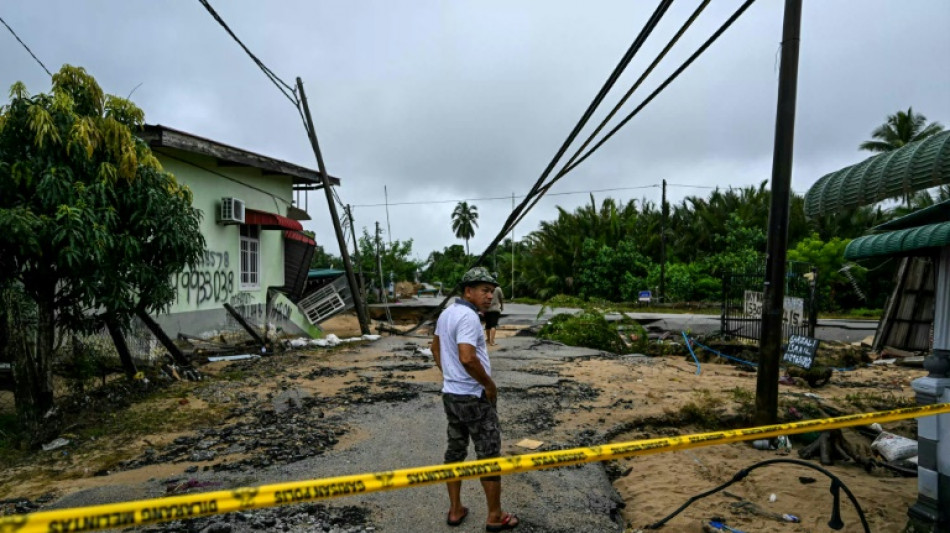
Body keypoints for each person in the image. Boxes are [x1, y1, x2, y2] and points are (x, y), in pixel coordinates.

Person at [431, 267, 519, 531]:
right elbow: (467, 357)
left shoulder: (447, 313)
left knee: (455, 451)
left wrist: (449, 376)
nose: (490, 296)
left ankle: (455, 509)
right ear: (468, 291)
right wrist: (489, 385)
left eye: (492, 291)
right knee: (488, 455)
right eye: (484, 290)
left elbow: (435, 347)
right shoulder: (468, 317)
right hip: (473, 396)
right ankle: (495, 516)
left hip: (452, 395)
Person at [484, 276, 504, 346]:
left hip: (487, 309)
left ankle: (488, 339)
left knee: (487, 325)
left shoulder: (486, 288)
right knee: (493, 325)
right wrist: (502, 306)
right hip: (495, 309)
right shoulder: (498, 289)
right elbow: (501, 298)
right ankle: (492, 341)